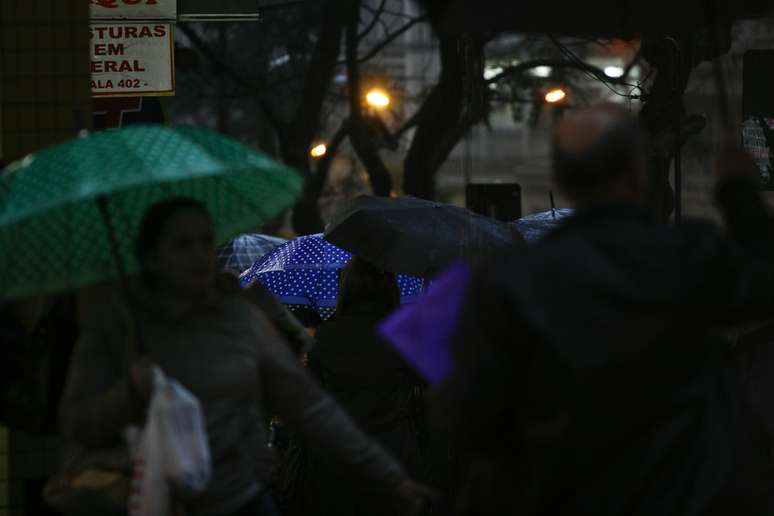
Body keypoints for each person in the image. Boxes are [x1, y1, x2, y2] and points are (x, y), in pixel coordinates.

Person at [439, 104, 774, 516]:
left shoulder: (511, 281)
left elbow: (474, 414)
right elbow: (763, 280)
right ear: (638, 172)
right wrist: (738, 190)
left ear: (560, 180)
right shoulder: (689, 257)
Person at [57, 198, 434, 516]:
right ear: (152, 257)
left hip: (241, 500)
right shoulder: (118, 325)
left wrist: (392, 478)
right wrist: (129, 393)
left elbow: (311, 408)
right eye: (182, 244)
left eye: (206, 241)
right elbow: (77, 423)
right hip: (152, 500)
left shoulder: (240, 317)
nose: (200, 255)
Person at [282, 257, 425, 516]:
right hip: (395, 455)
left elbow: (310, 401)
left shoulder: (325, 337)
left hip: (338, 457)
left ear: (346, 289)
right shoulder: (403, 335)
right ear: (390, 289)